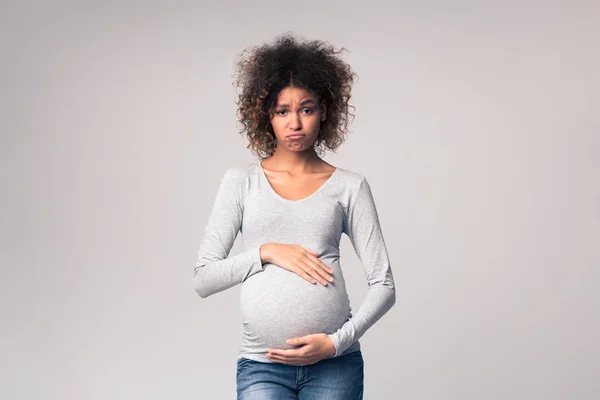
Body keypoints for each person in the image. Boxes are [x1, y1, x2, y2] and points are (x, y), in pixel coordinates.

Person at [193, 32, 396, 400]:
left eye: (307, 108)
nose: (295, 123)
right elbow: (203, 279)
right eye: (282, 111)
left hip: (335, 367)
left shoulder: (349, 187)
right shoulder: (241, 182)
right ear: (264, 115)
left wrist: (336, 343)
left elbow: (384, 285)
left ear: (325, 111)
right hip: (261, 366)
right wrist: (266, 251)